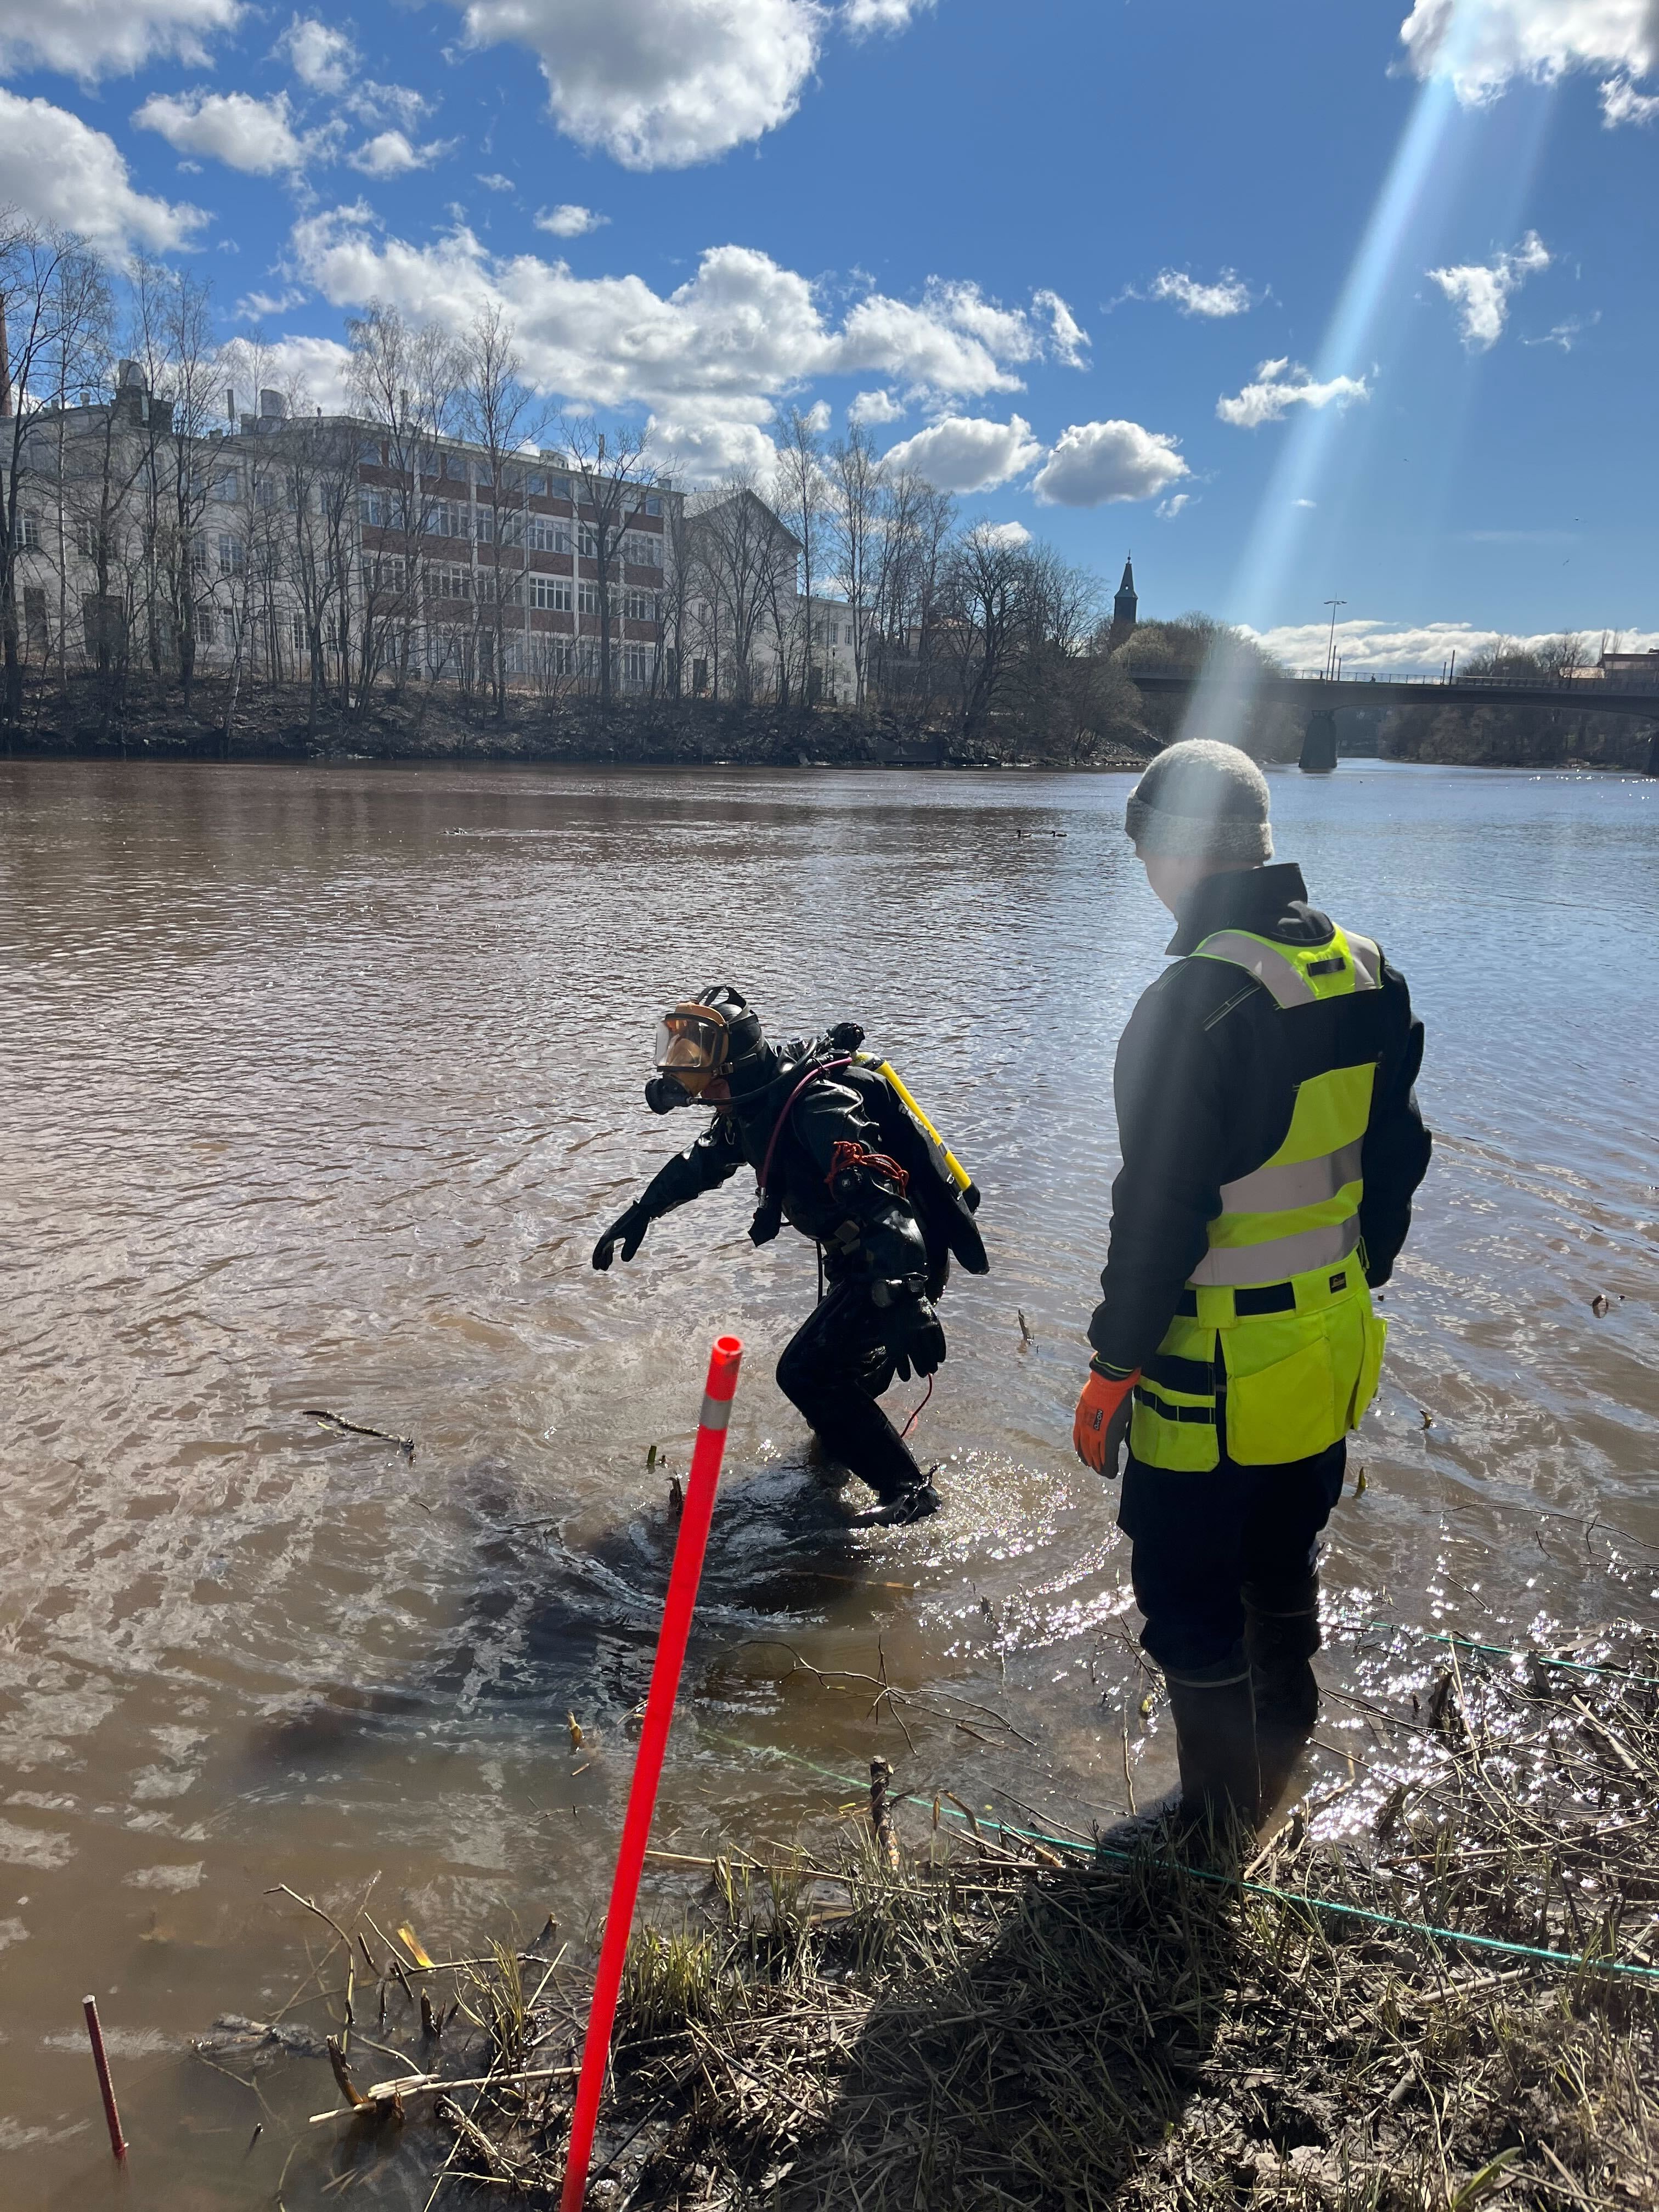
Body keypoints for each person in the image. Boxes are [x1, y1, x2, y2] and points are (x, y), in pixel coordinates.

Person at [1073, 740, 1431, 1829]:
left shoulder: (1196, 999)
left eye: (1148, 857)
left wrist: (1111, 1365)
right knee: (1282, 1560)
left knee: (1186, 1600)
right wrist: (1360, 1268)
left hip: (1210, 1375)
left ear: (1177, 849)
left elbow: (1160, 1216)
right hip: (1326, 1350)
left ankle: (1218, 1829)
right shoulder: (1367, 967)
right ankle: (1283, 1760)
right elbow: (1399, 1158)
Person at [593, 988, 986, 1523]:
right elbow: (704, 1160)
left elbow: (882, 1200)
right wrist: (643, 1211)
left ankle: (912, 1497)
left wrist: (907, 1295)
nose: (705, 1095)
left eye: (711, 1081)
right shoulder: (754, 1107)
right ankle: (838, 1486)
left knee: (804, 1374)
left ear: (738, 1068)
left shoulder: (820, 1107)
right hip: (862, 1262)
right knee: (836, 1404)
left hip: (893, 1260)